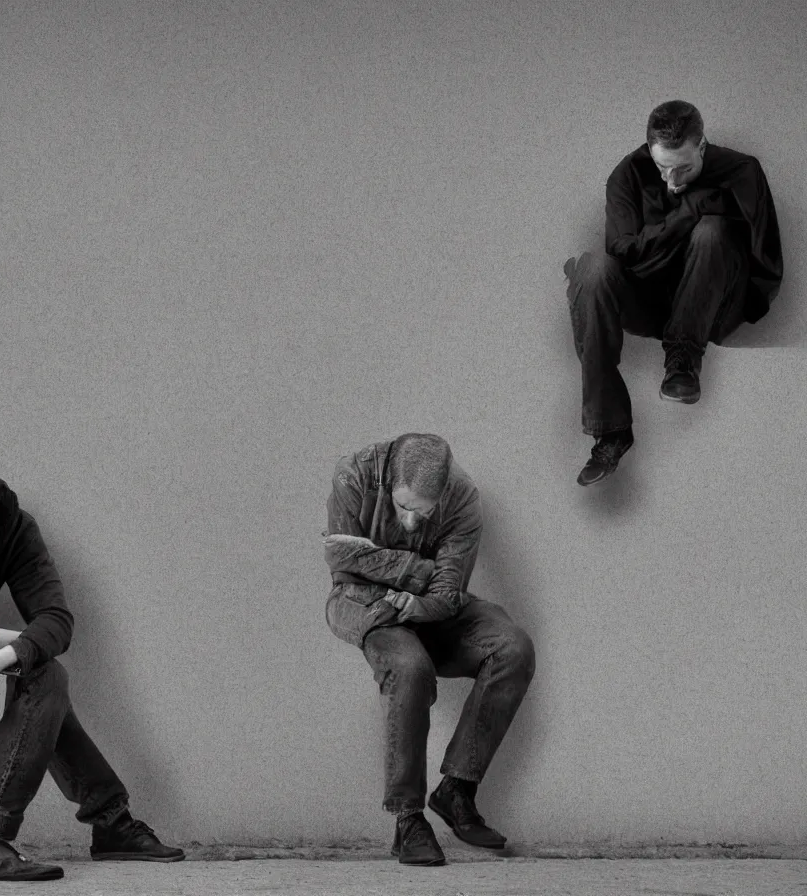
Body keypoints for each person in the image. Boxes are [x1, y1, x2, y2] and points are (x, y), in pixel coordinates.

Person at [0, 472, 184, 881]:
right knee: (32, 653)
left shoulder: (17, 530)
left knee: (44, 673)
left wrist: (12, 653)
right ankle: (106, 819)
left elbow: (57, 620)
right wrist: (15, 641)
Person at [323, 433, 535, 866]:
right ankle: (408, 819)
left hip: (429, 609)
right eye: (403, 508)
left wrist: (418, 597)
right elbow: (341, 561)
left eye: (425, 511)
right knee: (410, 665)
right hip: (362, 603)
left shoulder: (463, 497)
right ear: (388, 484)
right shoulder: (353, 476)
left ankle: (457, 790)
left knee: (513, 646)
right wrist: (419, 569)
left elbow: (448, 591)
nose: (411, 524)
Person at [565, 100, 783, 486]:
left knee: (714, 230)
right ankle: (611, 429)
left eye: (683, 167)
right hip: (649, 302)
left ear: (702, 147)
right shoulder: (627, 175)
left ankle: (682, 361)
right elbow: (624, 254)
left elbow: (763, 259)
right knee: (592, 269)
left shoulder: (741, 171)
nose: (672, 181)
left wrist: (743, 312)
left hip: (713, 304)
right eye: (662, 167)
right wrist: (691, 208)